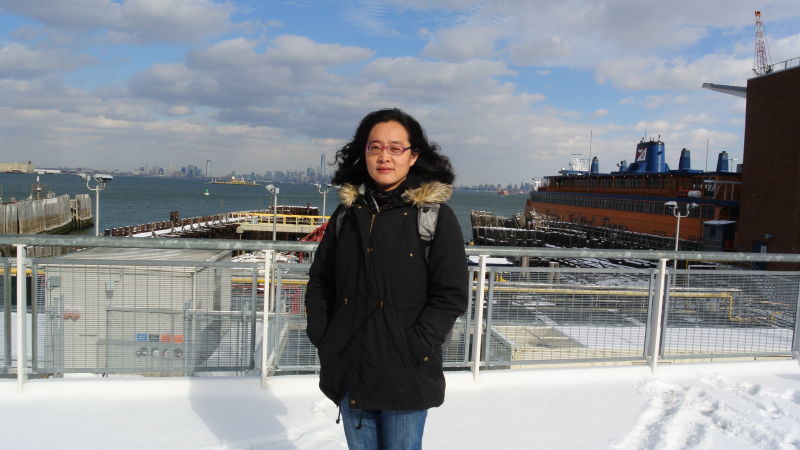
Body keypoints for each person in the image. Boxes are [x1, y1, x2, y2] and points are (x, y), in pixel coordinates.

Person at [305, 108, 468, 449]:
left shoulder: (434, 217)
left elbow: (450, 294)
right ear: (363, 153)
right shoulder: (347, 215)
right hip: (351, 368)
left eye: (396, 148)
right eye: (375, 147)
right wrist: (325, 336)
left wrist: (414, 346)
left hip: (406, 373)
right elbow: (321, 281)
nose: (384, 157)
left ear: (414, 156)